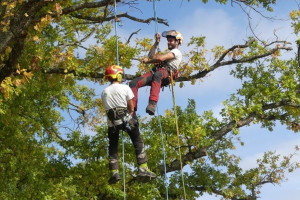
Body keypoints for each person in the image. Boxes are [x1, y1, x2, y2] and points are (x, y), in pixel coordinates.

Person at [101, 65, 156, 184]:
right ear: (118, 75)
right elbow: (131, 105)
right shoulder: (125, 88)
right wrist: (131, 115)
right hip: (126, 119)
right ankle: (143, 168)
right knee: (137, 140)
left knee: (113, 147)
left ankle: (114, 172)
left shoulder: (104, 92)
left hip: (112, 124)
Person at [129, 30, 183, 115]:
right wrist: (156, 43)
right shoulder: (167, 53)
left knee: (158, 74)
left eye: (171, 40)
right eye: (168, 40)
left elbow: (160, 59)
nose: (168, 42)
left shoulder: (177, 52)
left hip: (166, 74)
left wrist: (148, 62)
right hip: (157, 73)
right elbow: (150, 55)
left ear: (177, 41)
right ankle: (132, 111)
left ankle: (152, 103)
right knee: (133, 83)